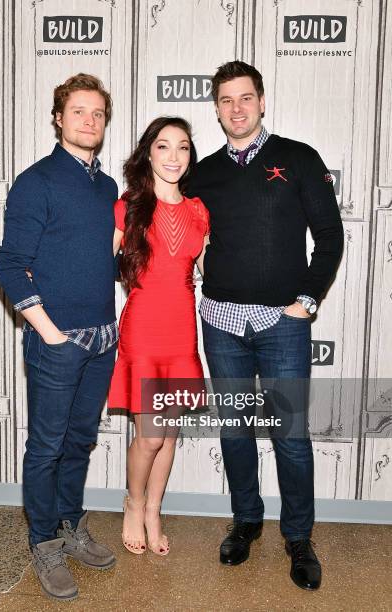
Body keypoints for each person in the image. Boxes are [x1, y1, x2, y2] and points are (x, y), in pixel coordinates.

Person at [187, 60, 344, 590]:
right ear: (216, 108)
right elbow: (176, 225)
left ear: (260, 101)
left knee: (290, 436)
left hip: (283, 323)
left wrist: (307, 299)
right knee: (235, 429)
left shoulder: (298, 158)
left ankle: (298, 537)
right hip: (221, 322)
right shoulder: (203, 171)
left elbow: (330, 234)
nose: (237, 108)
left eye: (245, 98)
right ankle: (246, 520)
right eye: (226, 100)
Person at [0, 74, 118, 601]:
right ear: (58, 118)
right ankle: (43, 542)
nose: (89, 122)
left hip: (104, 341)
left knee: (79, 441)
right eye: (79, 112)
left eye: (98, 114)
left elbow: (99, 258)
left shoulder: (106, 186)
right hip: (57, 342)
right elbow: (11, 266)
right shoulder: (36, 181)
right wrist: (50, 334)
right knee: (46, 447)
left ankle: (70, 526)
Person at [108, 117, 209, 556]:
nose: (173, 157)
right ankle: (133, 504)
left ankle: (154, 510)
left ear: (190, 157)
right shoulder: (127, 206)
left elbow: (212, 273)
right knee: (150, 435)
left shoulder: (200, 211)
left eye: (182, 148)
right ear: (148, 153)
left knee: (168, 435)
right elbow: (96, 267)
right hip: (144, 330)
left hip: (181, 330)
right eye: (163, 147)